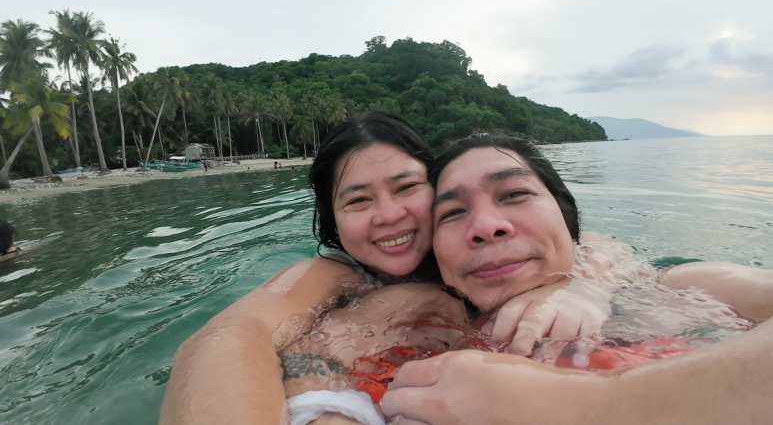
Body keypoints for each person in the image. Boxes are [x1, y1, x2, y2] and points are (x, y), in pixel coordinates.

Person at [159, 113, 613, 425]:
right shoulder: (334, 275)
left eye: (407, 187)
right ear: (333, 220)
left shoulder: (484, 251)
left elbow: (591, 246)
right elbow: (230, 337)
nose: (388, 215)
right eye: (357, 200)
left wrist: (582, 288)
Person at [380, 133, 773, 425]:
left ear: (569, 222)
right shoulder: (417, 331)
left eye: (515, 193)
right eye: (452, 213)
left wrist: (570, 403)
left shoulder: (679, 287)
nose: (485, 226)